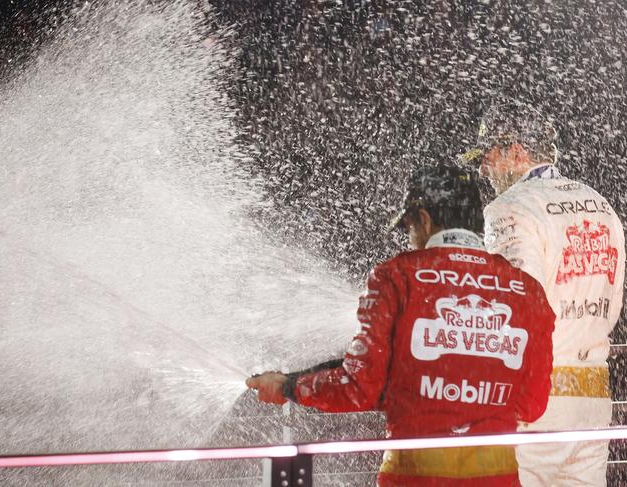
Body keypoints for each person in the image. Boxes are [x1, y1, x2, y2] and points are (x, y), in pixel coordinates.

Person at [247, 165, 555, 486]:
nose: (410, 239)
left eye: (409, 227)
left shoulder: (396, 277)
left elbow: (358, 388)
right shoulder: (526, 290)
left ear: (423, 219)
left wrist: (289, 386)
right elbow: (531, 405)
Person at [460, 99, 626, 486]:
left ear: (513, 151)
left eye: (487, 157)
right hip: (594, 398)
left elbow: (516, 304)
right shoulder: (600, 206)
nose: (483, 169)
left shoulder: (509, 208)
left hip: (533, 402)